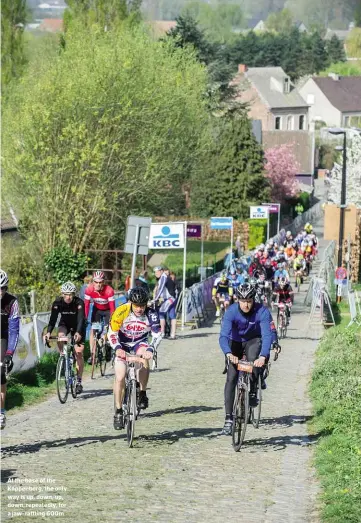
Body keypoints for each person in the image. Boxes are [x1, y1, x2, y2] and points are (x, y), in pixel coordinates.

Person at [219, 283, 276, 435]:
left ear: (253, 300)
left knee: (253, 360)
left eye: (249, 301)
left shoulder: (261, 311)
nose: (246, 304)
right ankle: (229, 419)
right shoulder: (231, 312)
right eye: (242, 301)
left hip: (253, 340)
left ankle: (253, 390)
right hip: (235, 342)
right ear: (237, 300)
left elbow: (266, 335)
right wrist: (228, 353)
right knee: (231, 378)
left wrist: (263, 356)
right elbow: (223, 336)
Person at [108, 287, 162, 429]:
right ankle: (119, 411)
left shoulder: (151, 314)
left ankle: (142, 392)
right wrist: (117, 348)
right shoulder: (121, 311)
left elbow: (157, 334)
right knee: (119, 377)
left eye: (142, 305)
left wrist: (151, 349)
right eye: (137, 305)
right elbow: (112, 332)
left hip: (140, 342)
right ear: (131, 303)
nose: (139, 309)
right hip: (123, 344)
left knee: (144, 360)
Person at [44, 282, 86, 394]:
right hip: (65, 324)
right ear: (62, 294)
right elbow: (53, 319)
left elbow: (81, 319)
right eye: (66, 294)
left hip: (78, 325)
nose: (68, 297)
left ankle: (79, 381)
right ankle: (63, 356)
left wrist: (78, 332)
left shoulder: (79, 302)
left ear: (74, 294)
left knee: (79, 352)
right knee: (60, 336)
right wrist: (48, 332)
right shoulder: (57, 303)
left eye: (71, 294)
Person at [0, 270, 20, 430]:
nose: (0, 292)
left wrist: (9, 354)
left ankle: (0, 411)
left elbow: (14, 330)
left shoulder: (12, 302)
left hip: (3, 336)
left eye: (3, 288)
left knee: (0, 371)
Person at [84, 271, 115, 364]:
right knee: (93, 330)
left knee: (107, 330)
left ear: (104, 282)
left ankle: (107, 345)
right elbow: (86, 305)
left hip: (108, 311)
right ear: (93, 282)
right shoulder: (89, 290)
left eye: (100, 282)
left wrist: (111, 320)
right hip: (97, 310)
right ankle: (93, 355)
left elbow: (113, 308)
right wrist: (85, 318)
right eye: (96, 282)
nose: (98, 284)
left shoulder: (109, 290)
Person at [153, 266, 177, 339]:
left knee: (161, 313)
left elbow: (161, 289)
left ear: (161, 271)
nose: (155, 274)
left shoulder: (163, 277)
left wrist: (155, 299)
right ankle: (172, 334)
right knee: (172, 316)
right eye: (154, 272)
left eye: (156, 272)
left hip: (169, 298)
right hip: (171, 298)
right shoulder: (164, 277)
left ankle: (162, 333)